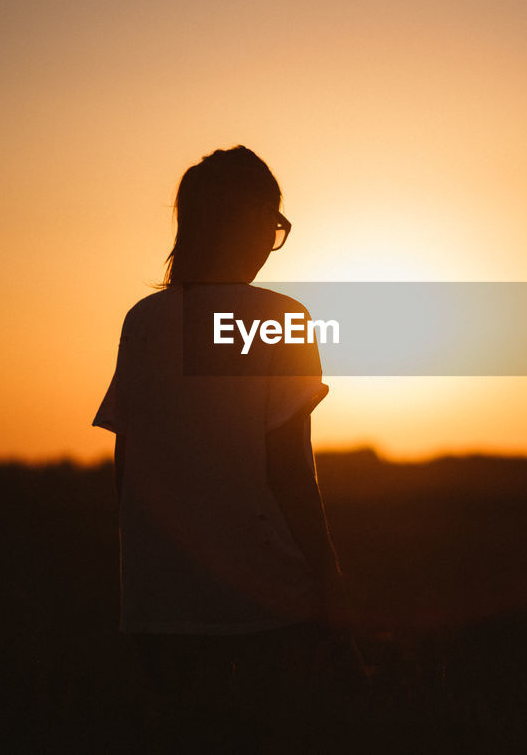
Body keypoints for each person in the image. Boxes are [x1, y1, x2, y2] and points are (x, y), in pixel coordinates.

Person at [92, 146, 355, 749]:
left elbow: (127, 469)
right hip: (266, 595)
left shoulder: (143, 321)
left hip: (159, 600)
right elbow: (291, 470)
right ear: (253, 219)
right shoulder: (282, 320)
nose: (274, 240)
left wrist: (150, 577)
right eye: (275, 223)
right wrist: (330, 577)